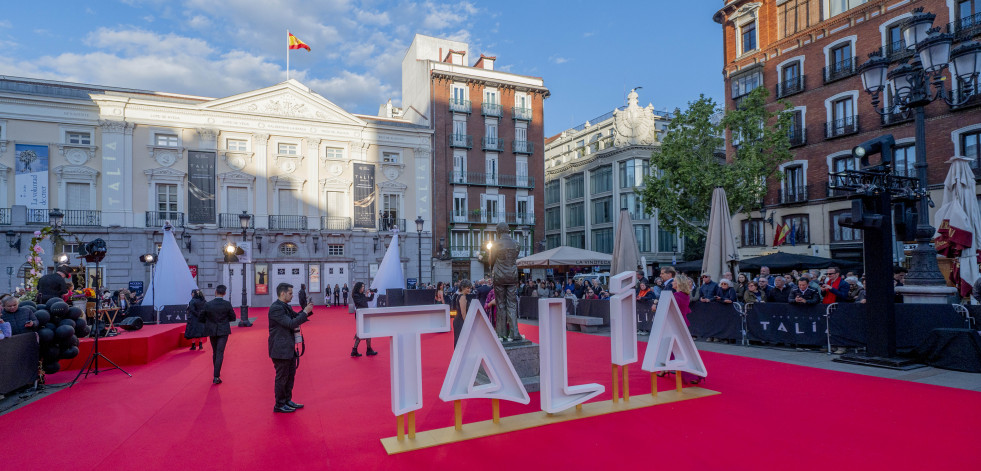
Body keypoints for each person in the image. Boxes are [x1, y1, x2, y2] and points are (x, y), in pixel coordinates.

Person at [268, 282, 314, 413]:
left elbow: (295, 316)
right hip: (280, 349)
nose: (292, 295)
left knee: (290, 376)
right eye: (290, 293)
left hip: (288, 347)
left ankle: (287, 400)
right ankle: (279, 404)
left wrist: (306, 310)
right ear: (282, 293)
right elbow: (291, 323)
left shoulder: (284, 306)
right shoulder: (276, 308)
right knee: (282, 378)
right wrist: (305, 312)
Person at [202, 285, 237, 384]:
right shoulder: (227, 304)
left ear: (215, 292)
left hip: (212, 330)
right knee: (220, 352)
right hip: (223, 330)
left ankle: (216, 374)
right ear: (224, 293)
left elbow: (202, 316)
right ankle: (216, 376)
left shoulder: (208, 304)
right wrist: (225, 321)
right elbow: (233, 317)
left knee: (215, 352)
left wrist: (208, 322)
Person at [351, 282, 377, 357]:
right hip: (360, 315)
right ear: (358, 287)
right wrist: (365, 295)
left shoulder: (361, 295)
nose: (363, 288)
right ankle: (363, 350)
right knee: (363, 331)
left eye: (363, 286)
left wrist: (372, 293)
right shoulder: (355, 295)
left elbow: (370, 299)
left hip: (365, 314)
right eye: (362, 286)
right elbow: (361, 303)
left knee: (367, 331)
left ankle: (358, 350)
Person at [452, 280, 473, 347]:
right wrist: (467, 324)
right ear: (463, 287)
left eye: (470, 288)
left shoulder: (459, 296)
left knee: (459, 340)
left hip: (459, 320)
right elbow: (463, 313)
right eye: (468, 288)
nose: (469, 290)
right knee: (460, 340)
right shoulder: (463, 297)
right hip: (460, 321)